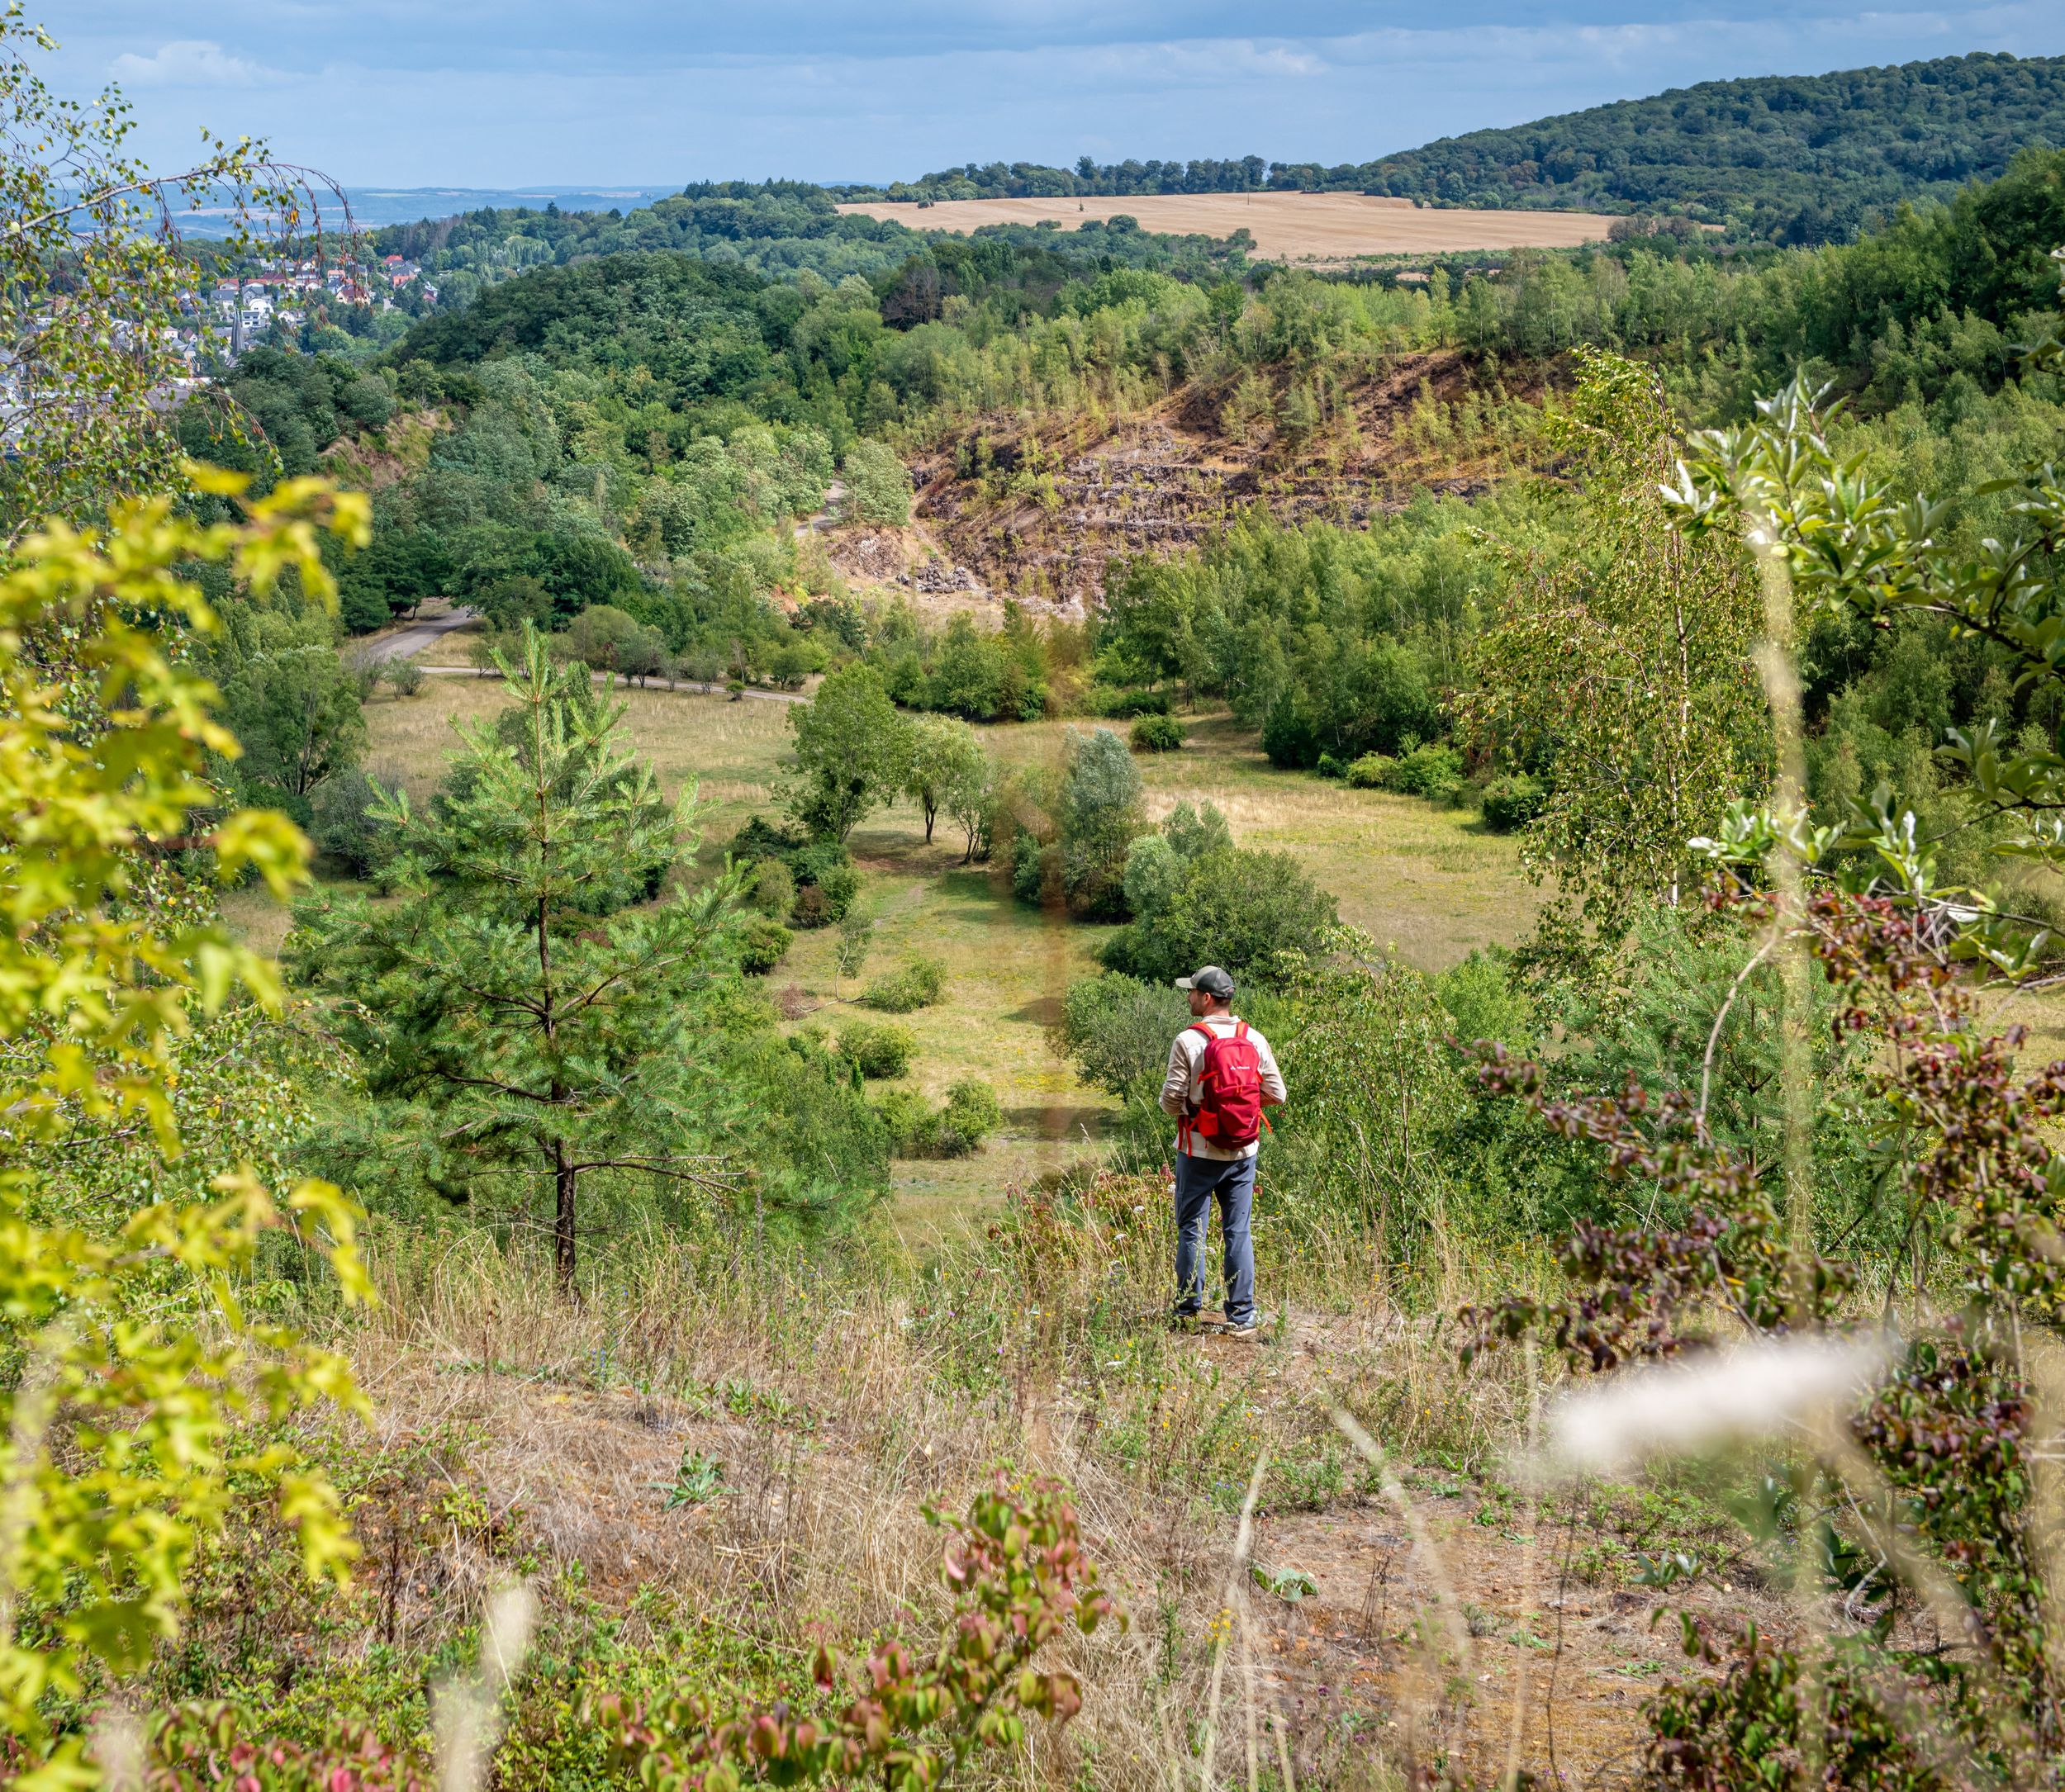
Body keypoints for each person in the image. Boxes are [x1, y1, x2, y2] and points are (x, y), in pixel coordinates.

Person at [1159, 965, 1285, 1339]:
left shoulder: (1188, 1041)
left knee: (1191, 1232)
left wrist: (1200, 1112)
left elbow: (1169, 1102)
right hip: (1244, 1152)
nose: (1188, 997)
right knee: (1238, 1231)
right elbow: (1278, 1094)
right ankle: (1243, 1315)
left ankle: (1186, 1311)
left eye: (1193, 992)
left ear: (1208, 998)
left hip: (1197, 1152)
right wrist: (1241, 1109)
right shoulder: (1255, 1039)